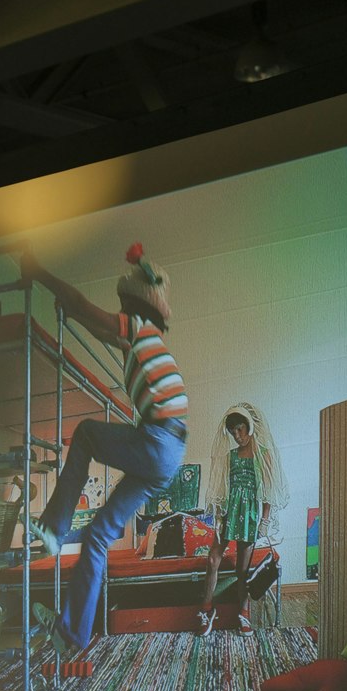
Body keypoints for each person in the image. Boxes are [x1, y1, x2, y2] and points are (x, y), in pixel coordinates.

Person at [22, 241, 188, 653]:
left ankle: (54, 527)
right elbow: (97, 326)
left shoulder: (137, 328)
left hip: (157, 439)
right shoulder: (144, 340)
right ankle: (72, 634)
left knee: (85, 434)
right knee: (98, 536)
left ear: (132, 306)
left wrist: (39, 273)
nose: (117, 312)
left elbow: (85, 306)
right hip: (168, 454)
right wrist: (72, 311)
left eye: (120, 305)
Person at [194, 402, 289, 635]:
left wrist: (264, 521)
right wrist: (219, 516)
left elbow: (269, 490)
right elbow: (222, 488)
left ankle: (243, 614)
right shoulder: (230, 456)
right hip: (229, 511)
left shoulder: (263, 454)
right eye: (233, 432)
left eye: (240, 429)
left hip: (249, 514)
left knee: (242, 570)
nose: (237, 436)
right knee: (212, 560)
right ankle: (207, 609)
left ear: (249, 426)